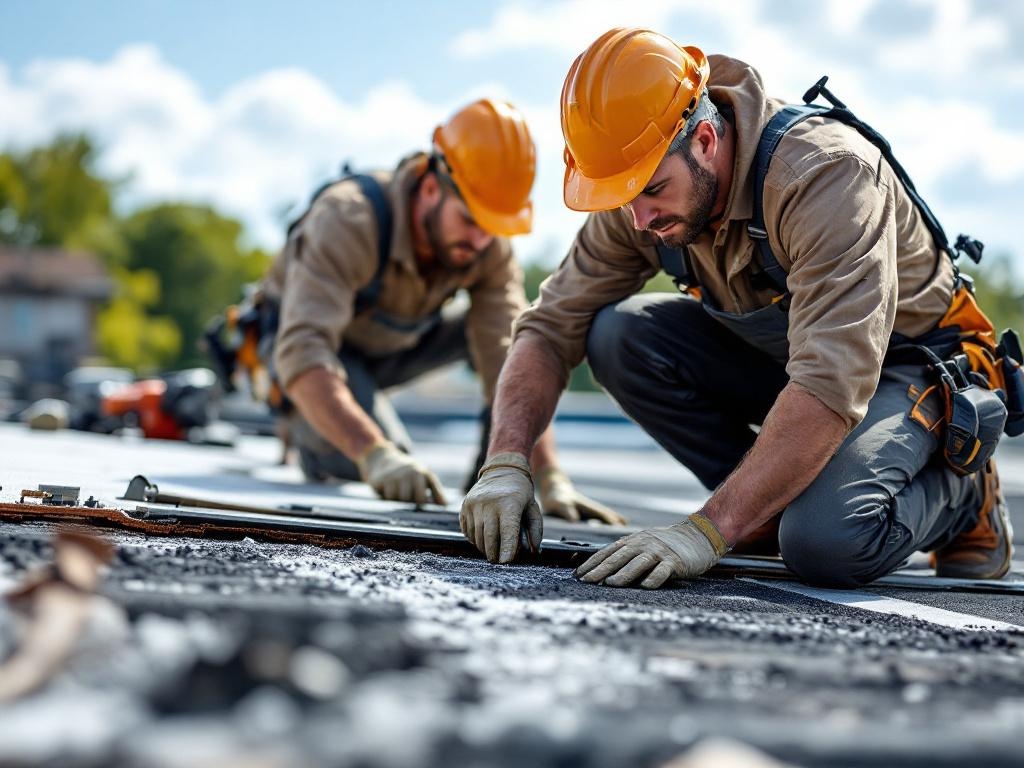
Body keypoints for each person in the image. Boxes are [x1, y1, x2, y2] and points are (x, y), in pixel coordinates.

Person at [460, 28, 1014, 586]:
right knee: (617, 336)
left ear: (704, 139)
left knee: (825, 541)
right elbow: (550, 327)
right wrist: (506, 463)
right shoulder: (640, 187)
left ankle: (962, 494)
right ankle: (762, 510)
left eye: (653, 191)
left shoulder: (824, 176)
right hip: (795, 363)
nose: (639, 221)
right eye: (626, 198)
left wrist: (706, 529)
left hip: (907, 364)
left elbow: (830, 380)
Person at [260, 98, 623, 527]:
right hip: (309, 357)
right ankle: (312, 433)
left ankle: (485, 474)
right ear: (431, 188)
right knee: (389, 468)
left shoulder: (485, 241)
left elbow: (512, 351)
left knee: (514, 341)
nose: (480, 241)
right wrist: (375, 455)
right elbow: (304, 353)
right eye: (469, 221)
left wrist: (544, 474)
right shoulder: (347, 220)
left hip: (397, 344)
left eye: (492, 229)